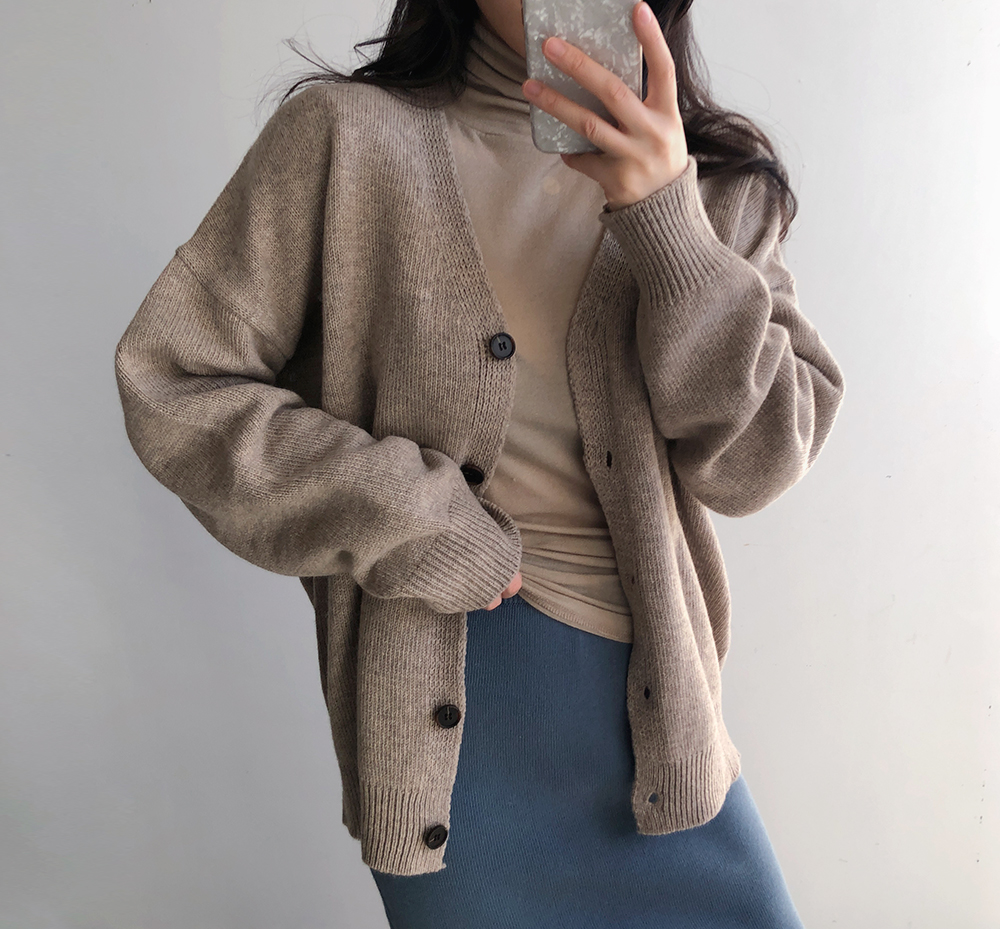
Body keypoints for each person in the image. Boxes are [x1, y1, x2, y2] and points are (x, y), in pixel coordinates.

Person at [114, 0, 845, 926]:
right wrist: (410, 517)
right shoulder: (346, 139)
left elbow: (758, 464)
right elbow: (173, 379)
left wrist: (669, 223)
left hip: (661, 724)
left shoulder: (718, 188)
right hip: (454, 718)